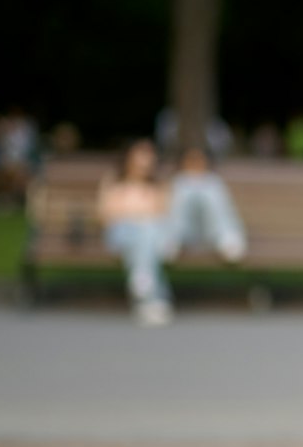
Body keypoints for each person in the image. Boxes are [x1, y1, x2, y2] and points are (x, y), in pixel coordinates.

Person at [99, 140, 174, 326]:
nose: (144, 163)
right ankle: (155, 299)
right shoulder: (114, 181)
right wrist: (137, 215)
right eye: (139, 157)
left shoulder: (158, 185)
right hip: (120, 234)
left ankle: (142, 283)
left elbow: (165, 213)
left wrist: (134, 213)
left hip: (149, 235)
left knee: (146, 233)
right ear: (129, 160)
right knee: (144, 232)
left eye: (148, 158)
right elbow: (104, 214)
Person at [163, 147, 248, 262]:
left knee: (211, 189)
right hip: (185, 234)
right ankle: (171, 239)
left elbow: (226, 213)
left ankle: (228, 239)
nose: (195, 163)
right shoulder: (178, 183)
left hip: (212, 234)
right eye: (191, 159)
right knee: (183, 187)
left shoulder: (214, 183)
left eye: (199, 159)